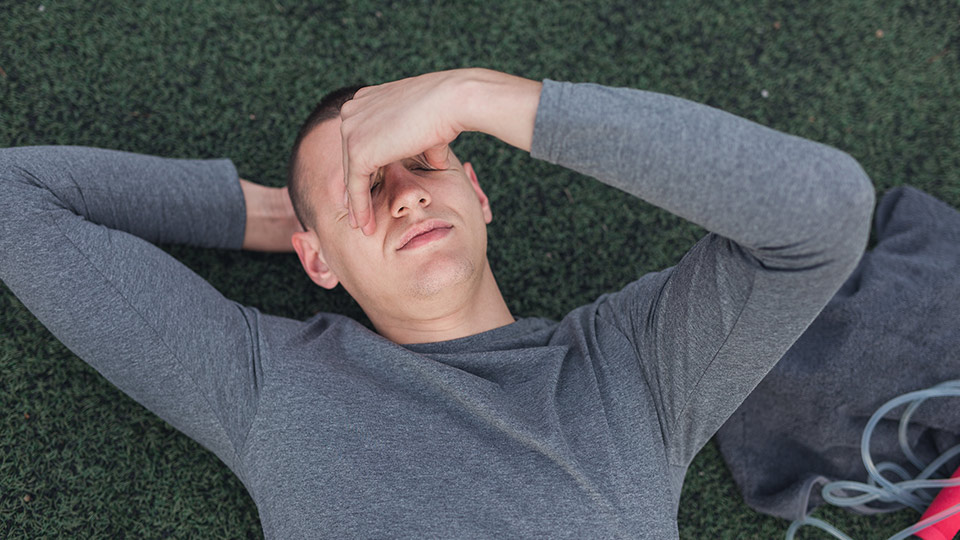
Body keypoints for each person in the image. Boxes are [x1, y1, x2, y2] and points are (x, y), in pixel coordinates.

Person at [0, 67, 875, 538]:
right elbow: (16, 196)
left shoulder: (634, 366)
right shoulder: (267, 383)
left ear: (480, 193)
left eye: (425, 162)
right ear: (317, 261)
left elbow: (824, 215)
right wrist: (282, 213)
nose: (408, 196)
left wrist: (472, 95)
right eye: (364, 189)